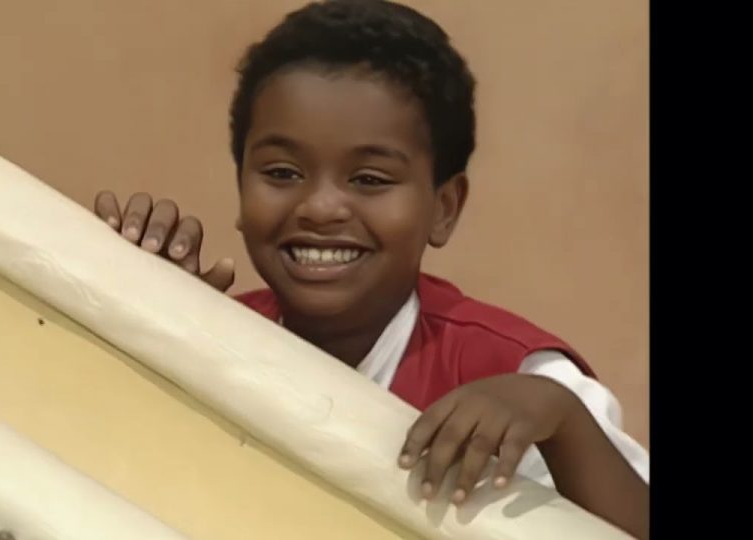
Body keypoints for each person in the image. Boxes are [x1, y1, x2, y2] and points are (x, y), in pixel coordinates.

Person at [92, 1, 649, 537]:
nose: (319, 208)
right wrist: (149, 331)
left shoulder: (518, 379)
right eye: (282, 173)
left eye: (369, 180)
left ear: (444, 208)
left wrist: (564, 423)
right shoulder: (216, 335)